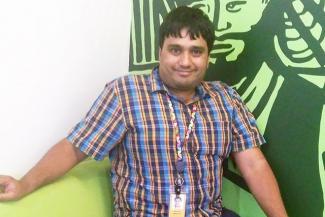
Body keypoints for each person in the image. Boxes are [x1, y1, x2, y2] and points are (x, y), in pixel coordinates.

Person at [0, 6, 288, 217]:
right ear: (160, 51)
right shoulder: (125, 94)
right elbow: (75, 147)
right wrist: (24, 184)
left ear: (207, 56)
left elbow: (254, 164)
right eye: (175, 49)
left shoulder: (226, 98)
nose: (185, 61)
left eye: (195, 51)